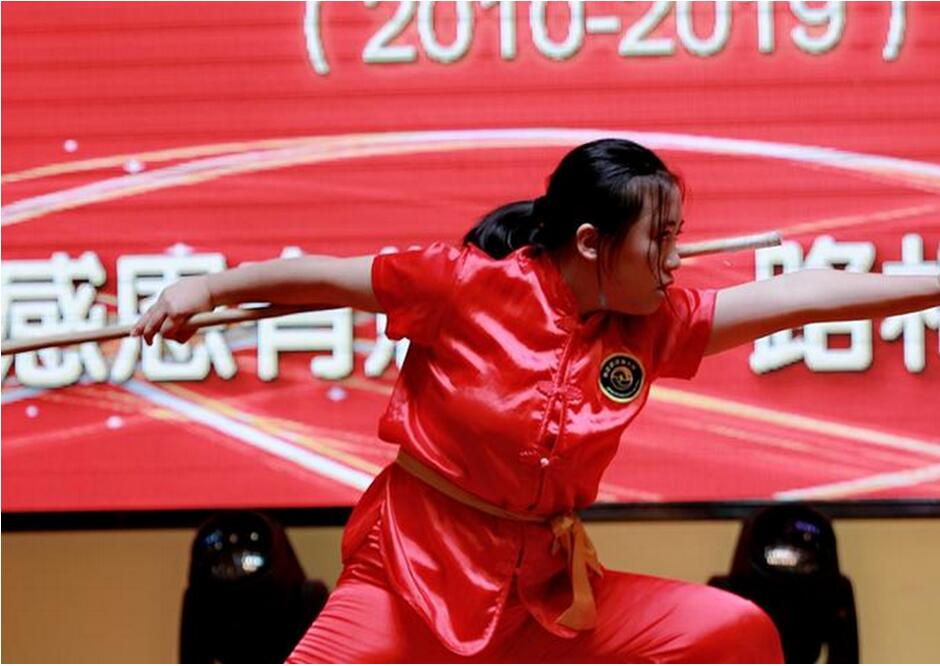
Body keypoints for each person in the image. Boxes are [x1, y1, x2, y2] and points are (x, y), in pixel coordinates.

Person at [132, 139, 940, 663]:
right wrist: (207, 288)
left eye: (678, 236)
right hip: (409, 573)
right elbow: (321, 278)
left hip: (542, 596)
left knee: (735, 631)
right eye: (659, 239)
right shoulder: (464, 285)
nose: (676, 259)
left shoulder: (654, 325)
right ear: (590, 242)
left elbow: (804, 297)